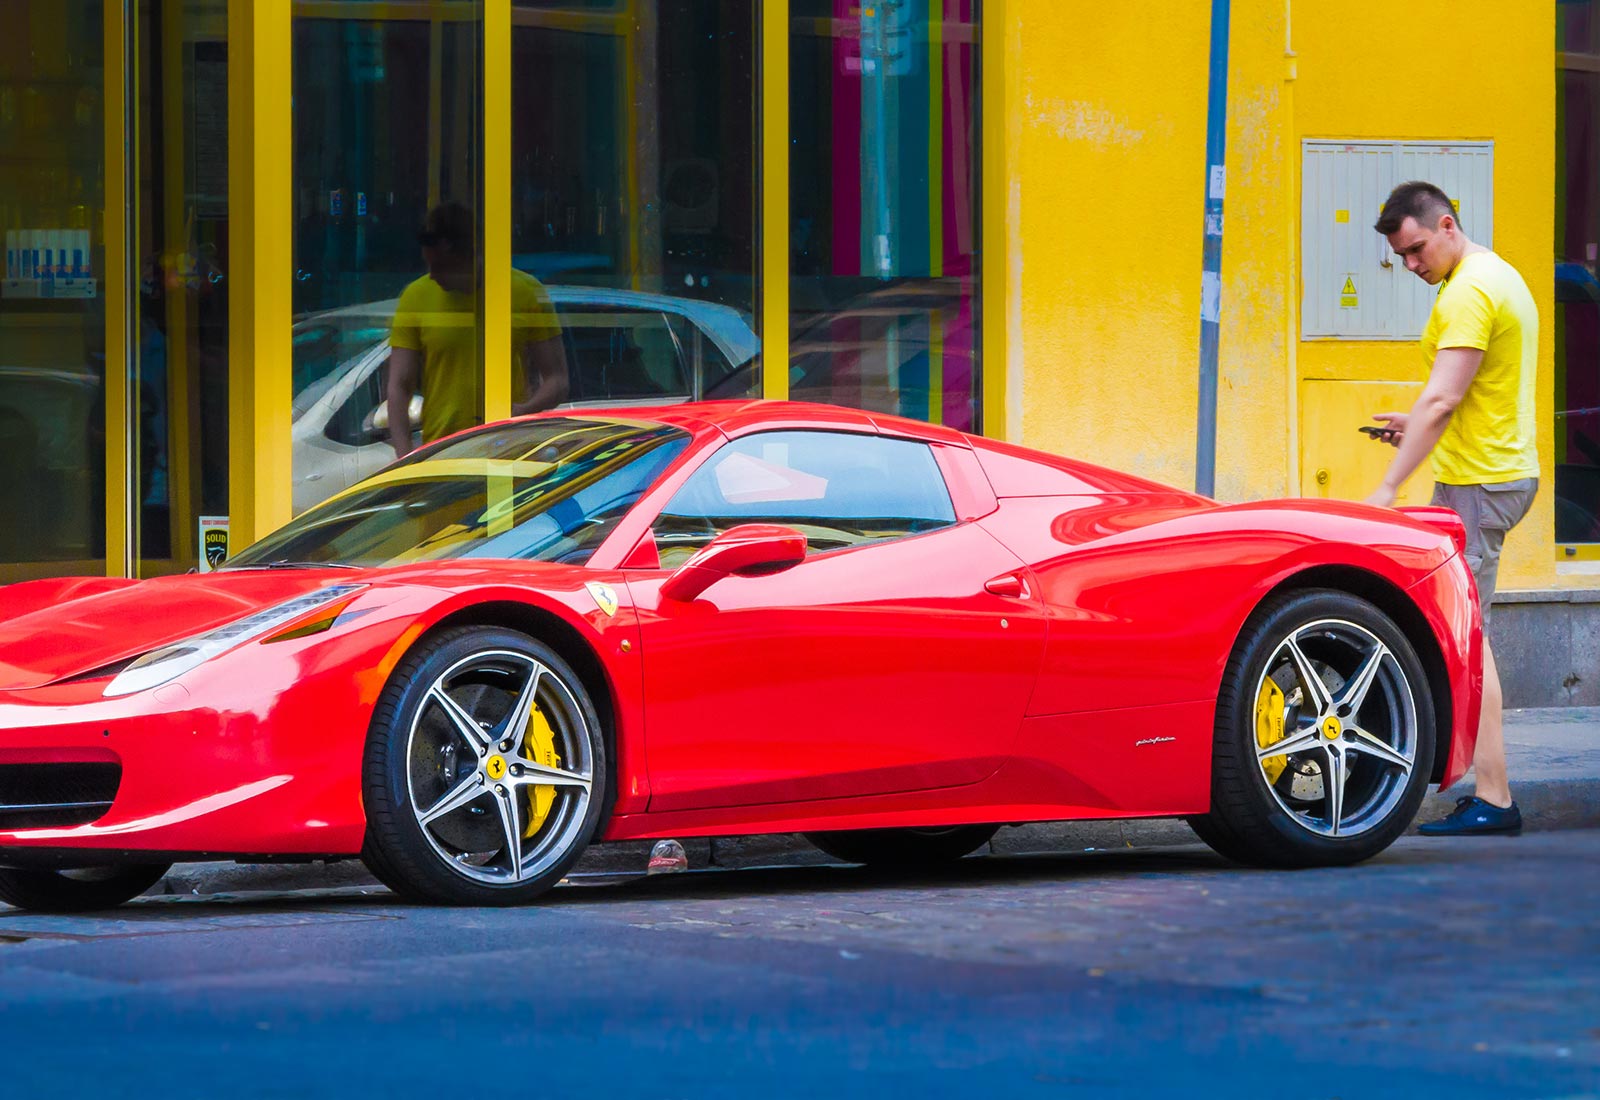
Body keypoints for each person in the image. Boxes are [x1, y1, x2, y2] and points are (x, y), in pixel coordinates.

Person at [1363, 180, 1538, 836]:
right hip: (1488, 476)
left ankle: (1494, 798)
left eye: (1415, 249)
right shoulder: (1491, 274)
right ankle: (1485, 789)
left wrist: (1386, 489)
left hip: (1480, 486)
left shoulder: (1468, 290)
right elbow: (1460, 395)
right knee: (1465, 636)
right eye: (1401, 257)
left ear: (1444, 224)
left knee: (1470, 641)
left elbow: (1443, 401)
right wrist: (1413, 423)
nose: (1412, 265)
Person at [388, 201, 570, 457]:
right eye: (429, 265)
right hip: (443, 451)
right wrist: (405, 458)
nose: (432, 275)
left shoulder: (523, 292)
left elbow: (557, 379)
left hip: (509, 447)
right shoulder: (414, 298)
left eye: (440, 266)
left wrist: (522, 411)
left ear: (469, 257)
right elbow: (399, 386)